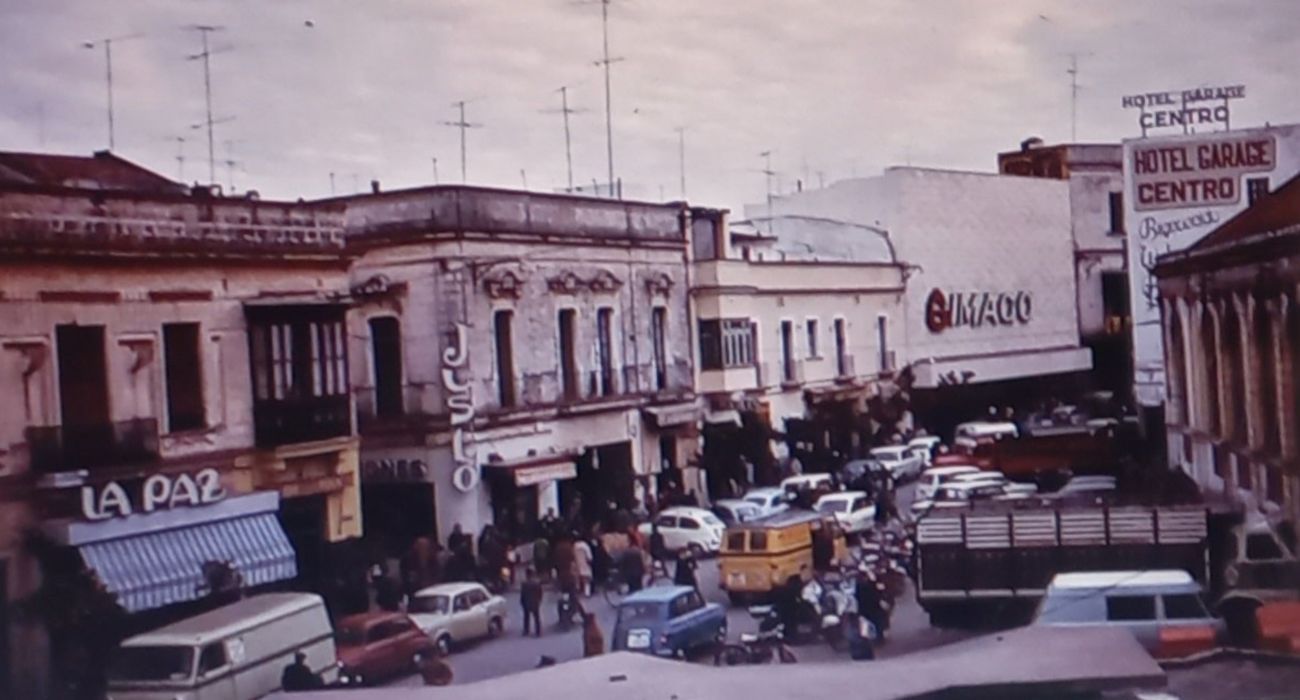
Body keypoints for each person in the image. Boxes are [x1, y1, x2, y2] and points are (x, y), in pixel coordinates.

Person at [520, 568, 543, 637]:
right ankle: (538, 631)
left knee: (526, 617)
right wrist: (539, 600)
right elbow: (540, 593)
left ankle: (526, 630)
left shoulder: (524, 583)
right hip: (535, 602)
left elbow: (523, 594)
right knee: (536, 617)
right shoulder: (537, 583)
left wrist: (522, 601)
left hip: (527, 602)